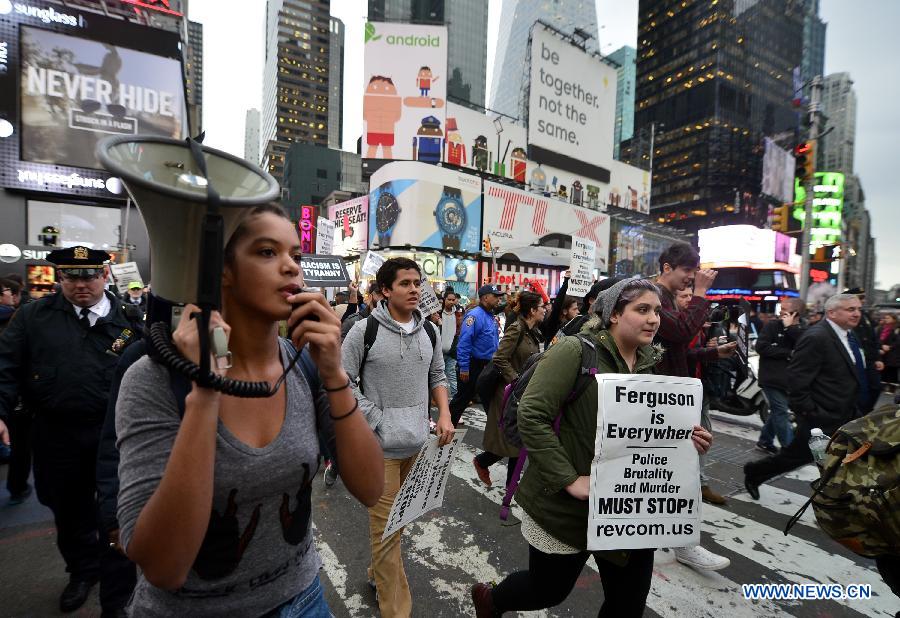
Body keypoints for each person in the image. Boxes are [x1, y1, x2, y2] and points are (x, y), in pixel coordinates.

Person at [114, 204, 383, 616]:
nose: (292, 267)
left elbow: (370, 487)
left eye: (295, 254)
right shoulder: (152, 379)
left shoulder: (304, 364)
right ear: (220, 270)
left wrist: (334, 373)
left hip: (303, 598)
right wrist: (205, 393)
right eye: (266, 252)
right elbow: (165, 568)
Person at [471, 278, 713, 617]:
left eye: (657, 311)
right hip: (568, 509)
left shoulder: (650, 363)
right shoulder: (575, 350)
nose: (653, 319)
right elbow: (532, 415)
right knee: (547, 590)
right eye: (642, 309)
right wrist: (570, 479)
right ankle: (491, 599)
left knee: (627, 604)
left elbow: (649, 432)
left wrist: (685, 443)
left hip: (629, 509)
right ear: (614, 314)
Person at [0, 247, 144, 615]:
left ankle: (119, 582)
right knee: (67, 508)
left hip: (115, 435)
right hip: (56, 432)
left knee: (117, 511)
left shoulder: (130, 318)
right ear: (59, 277)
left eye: (90, 275)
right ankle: (82, 571)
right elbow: (6, 367)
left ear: (106, 275)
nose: (81, 284)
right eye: (71, 276)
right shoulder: (34, 317)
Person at [342, 257, 453, 618]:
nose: (415, 289)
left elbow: (437, 374)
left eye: (417, 283)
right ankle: (397, 611)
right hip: (381, 450)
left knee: (399, 523)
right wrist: (377, 419)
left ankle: (376, 574)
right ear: (385, 291)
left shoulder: (430, 331)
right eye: (405, 283)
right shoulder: (363, 332)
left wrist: (445, 415)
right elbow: (343, 381)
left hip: (419, 447)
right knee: (387, 533)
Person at [653, 242, 734, 570]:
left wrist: (714, 353)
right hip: (657, 399)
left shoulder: (665, 297)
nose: (692, 277)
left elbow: (678, 352)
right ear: (667, 267)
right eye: (687, 271)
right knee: (673, 473)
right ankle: (672, 540)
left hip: (670, 397)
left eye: (694, 272)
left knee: (676, 473)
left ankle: (679, 541)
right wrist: (701, 292)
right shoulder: (652, 295)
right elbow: (682, 332)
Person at [744, 293, 865, 500]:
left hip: (844, 413)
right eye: (850, 309)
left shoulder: (847, 335)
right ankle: (756, 471)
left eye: (858, 309)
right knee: (800, 455)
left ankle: (838, 501)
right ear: (832, 313)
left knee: (834, 458)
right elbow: (797, 378)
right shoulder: (817, 336)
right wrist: (810, 411)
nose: (857, 313)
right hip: (821, 415)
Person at [472, 291, 545, 489]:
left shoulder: (533, 331)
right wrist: (516, 380)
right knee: (510, 442)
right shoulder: (516, 328)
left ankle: (512, 487)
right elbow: (499, 358)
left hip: (522, 394)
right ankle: (482, 462)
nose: (545, 310)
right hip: (507, 393)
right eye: (542, 307)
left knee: (518, 442)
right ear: (532, 310)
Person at [754, 298, 806, 454]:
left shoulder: (803, 329)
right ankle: (789, 450)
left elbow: (804, 347)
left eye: (784, 309)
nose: (780, 311)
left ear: (795, 312)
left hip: (791, 380)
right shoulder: (772, 326)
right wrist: (788, 353)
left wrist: (790, 328)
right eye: (781, 308)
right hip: (771, 378)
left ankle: (764, 441)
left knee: (778, 412)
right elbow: (761, 347)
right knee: (781, 411)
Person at [449, 285, 504, 426]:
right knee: (461, 400)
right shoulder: (474, 315)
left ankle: (495, 437)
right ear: (485, 297)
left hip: (488, 366)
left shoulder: (490, 315)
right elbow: (464, 343)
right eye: (496, 296)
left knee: (490, 401)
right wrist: (464, 368)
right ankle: (446, 429)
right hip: (473, 366)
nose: (499, 299)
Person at [844, 287, 882, 413]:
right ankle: (859, 414)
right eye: (860, 297)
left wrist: (877, 358)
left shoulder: (865, 316)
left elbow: (873, 338)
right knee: (859, 390)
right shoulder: (846, 316)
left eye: (863, 298)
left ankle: (865, 412)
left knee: (876, 387)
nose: (863, 300)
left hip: (869, 359)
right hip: (855, 359)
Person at [440, 290, 462, 398]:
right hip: (438, 352)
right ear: (444, 300)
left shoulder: (458, 314)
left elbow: (460, 332)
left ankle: (455, 397)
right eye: (449, 299)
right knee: (437, 376)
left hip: (452, 351)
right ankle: (436, 398)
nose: (452, 302)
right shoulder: (438, 313)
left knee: (452, 375)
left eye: (453, 300)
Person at [879, 313, 899, 391]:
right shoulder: (881, 328)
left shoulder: (897, 328)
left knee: (892, 370)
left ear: (894, 319)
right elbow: (878, 338)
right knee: (883, 369)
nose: (886, 319)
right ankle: (883, 386)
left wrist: (890, 347)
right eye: (885, 318)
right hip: (883, 352)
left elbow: (898, 341)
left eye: (888, 318)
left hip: (893, 353)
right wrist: (881, 346)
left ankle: (892, 387)